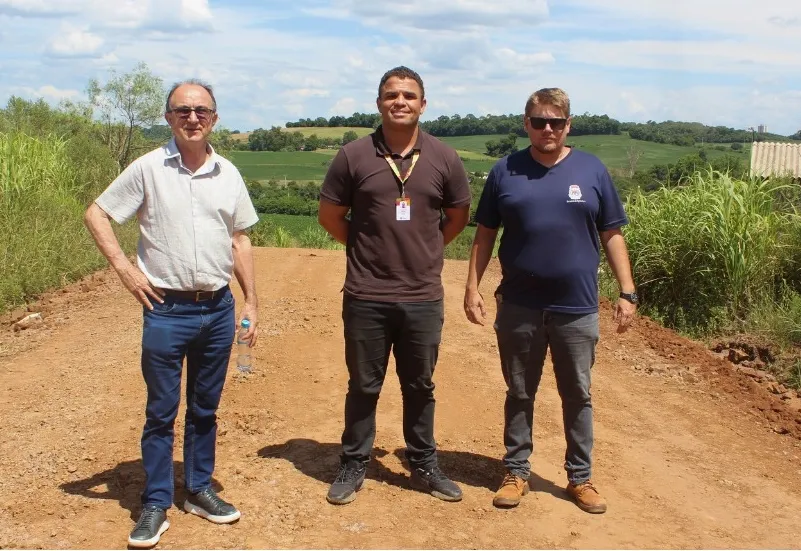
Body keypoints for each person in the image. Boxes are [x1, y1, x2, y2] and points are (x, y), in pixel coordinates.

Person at [84, 79, 259, 547]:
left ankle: (198, 490)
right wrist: (124, 269)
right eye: (183, 110)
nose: (193, 118)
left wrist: (252, 302)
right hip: (165, 310)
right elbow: (97, 213)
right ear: (169, 118)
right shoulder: (147, 168)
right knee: (161, 412)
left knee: (205, 409)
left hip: (219, 309)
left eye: (202, 110)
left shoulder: (229, 173)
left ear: (215, 118)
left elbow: (240, 238)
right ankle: (157, 501)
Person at [463, 87, 636, 513]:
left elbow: (612, 233)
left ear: (568, 125)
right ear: (526, 124)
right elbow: (485, 234)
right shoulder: (506, 171)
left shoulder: (592, 170)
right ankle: (517, 472)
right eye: (538, 121)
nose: (547, 129)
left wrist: (627, 291)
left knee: (577, 393)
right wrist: (472, 287)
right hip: (520, 304)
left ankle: (580, 478)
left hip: (576, 306)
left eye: (555, 122)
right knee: (520, 390)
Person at [318, 66, 471, 505]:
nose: (399, 102)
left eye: (408, 95)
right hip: (366, 294)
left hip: (422, 296)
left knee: (419, 385)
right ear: (379, 102)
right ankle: (353, 462)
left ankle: (423, 463)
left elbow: (457, 217)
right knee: (364, 385)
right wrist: (367, 248)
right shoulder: (354, 156)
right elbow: (330, 217)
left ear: (423, 104)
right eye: (391, 95)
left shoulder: (444, 157)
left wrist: (425, 250)